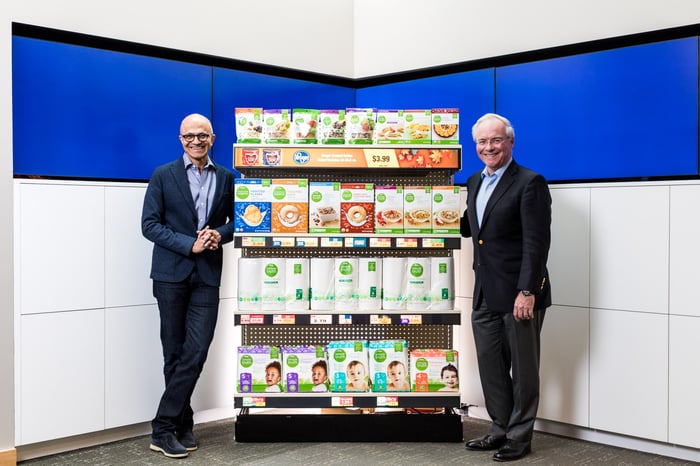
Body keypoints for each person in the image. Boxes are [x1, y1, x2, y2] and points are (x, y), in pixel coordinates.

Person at [141, 113, 235, 459]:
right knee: (174, 353)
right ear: (180, 139)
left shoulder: (225, 177)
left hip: (207, 276)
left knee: (196, 351)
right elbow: (149, 225)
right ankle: (181, 423)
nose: (196, 141)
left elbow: (236, 223)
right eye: (189, 136)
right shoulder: (163, 175)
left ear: (213, 138)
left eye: (202, 136)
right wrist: (188, 243)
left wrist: (218, 234)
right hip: (170, 275)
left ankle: (163, 425)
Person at [460, 113, 552, 462]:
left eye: (495, 140)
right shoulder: (473, 182)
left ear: (510, 142)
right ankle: (499, 429)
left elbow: (537, 243)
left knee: (523, 370)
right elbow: (472, 230)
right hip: (484, 290)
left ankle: (519, 436)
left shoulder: (530, 182)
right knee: (491, 366)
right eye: (482, 142)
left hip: (519, 294)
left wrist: (528, 290)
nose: (488, 147)